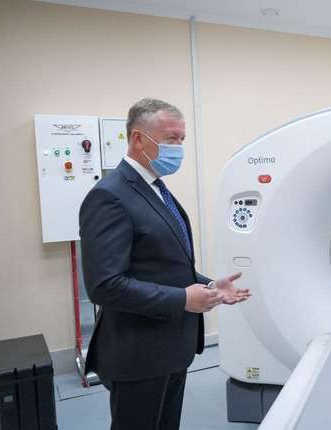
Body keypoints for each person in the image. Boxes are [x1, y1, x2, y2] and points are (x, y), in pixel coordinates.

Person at [79, 98, 251, 430]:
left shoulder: (156, 188)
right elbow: (104, 285)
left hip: (171, 346)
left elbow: (163, 263)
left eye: (182, 139)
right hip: (139, 354)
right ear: (137, 139)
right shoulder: (110, 196)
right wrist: (183, 299)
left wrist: (209, 286)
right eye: (171, 139)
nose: (179, 148)